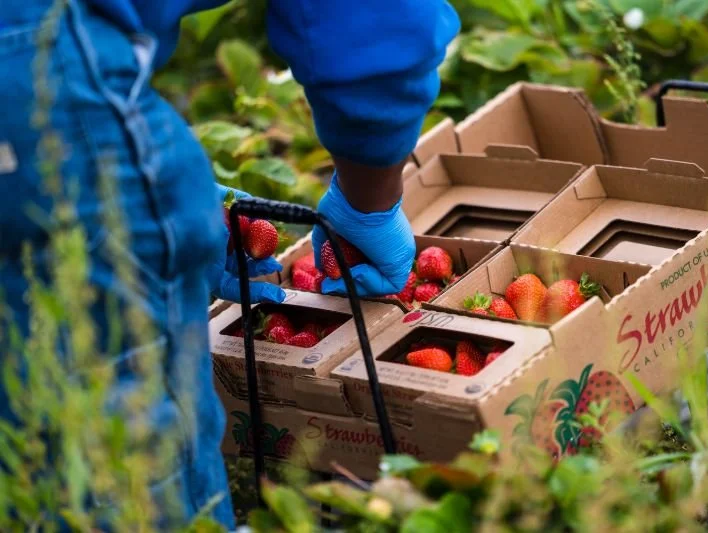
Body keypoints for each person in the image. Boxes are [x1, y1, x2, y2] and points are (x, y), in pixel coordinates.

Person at [0, 0, 459, 529]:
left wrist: (168, 195)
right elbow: (376, 21)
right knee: (126, 472)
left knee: (25, 430)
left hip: (36, 69)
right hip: (41, 83)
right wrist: (368, 201)